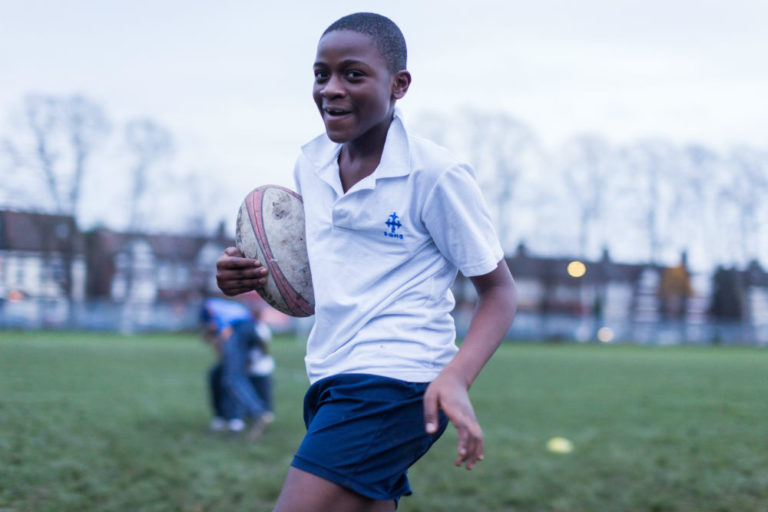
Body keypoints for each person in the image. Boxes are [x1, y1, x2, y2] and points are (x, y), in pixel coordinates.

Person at [216, 12, 517, 511]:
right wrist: (243, 274)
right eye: (321, 74)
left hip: (398, 381)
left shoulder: (435, 174)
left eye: (353, 74)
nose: (331, 89)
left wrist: (456, 376)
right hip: (331, 375)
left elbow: (500, 292)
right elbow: (316, 272)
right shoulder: (309, 166)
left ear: (399, 85)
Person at [200, 297, 273, 437]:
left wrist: (211, 339)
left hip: (239, 330)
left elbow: (219, 331)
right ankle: (240, 415)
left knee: (232, 378)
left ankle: (257, 411)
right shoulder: (222, 305)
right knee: (234, 375)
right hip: (250, 329)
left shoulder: (208, 308)